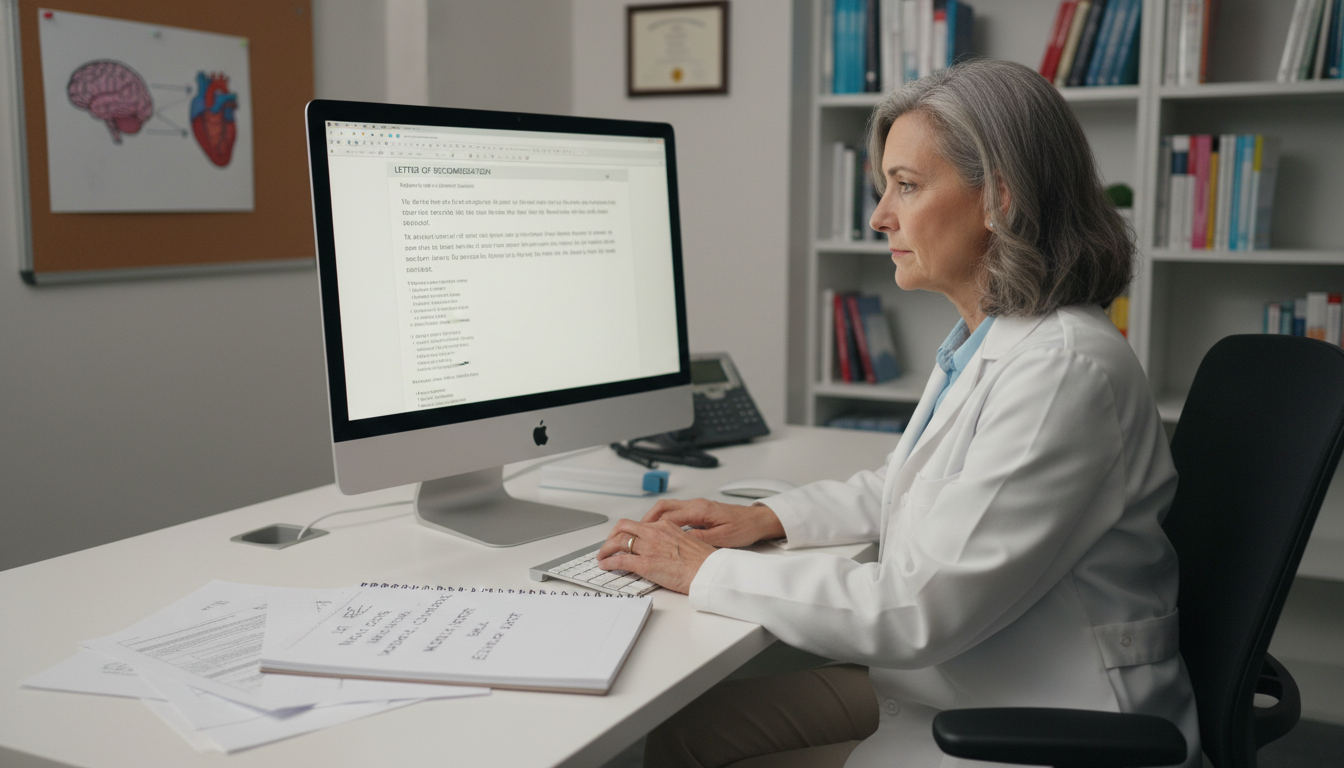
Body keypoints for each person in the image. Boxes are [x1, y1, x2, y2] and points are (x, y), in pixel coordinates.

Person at [596, 59, 1200, 768]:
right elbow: (905, 484)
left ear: (999, 199)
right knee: (686, 734)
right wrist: (766, 520)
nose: (880, 216)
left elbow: (916, 612)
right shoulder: (992, 336)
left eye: (906, 186)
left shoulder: (1062, 369)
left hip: (1045, 714)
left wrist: (707, 570)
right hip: (966, 675)